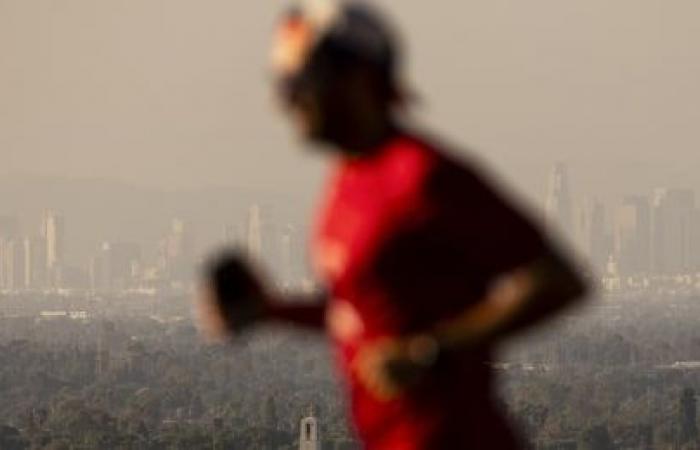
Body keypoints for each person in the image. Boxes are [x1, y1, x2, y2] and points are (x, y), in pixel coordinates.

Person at [196, 1, 588, 449]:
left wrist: (432, 352)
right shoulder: (345, 184)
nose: (286, 101)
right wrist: (270, 311)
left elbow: (560, 280)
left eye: (300, 83)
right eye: (283, 86)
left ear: (357, 80)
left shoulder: (423, 177)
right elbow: (363, 315)